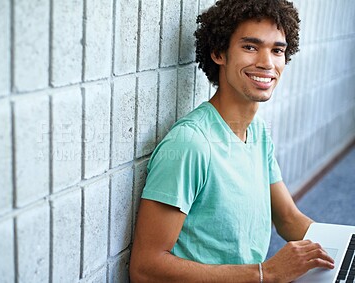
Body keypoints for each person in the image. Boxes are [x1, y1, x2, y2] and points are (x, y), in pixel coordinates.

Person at [129, 0, 335, 282]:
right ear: (218, 53)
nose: (266, 62)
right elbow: (145, 268)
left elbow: (288, 218)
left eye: (277, 50)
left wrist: (344, 247)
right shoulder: (190, 143)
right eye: (250, 47)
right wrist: (266, 273)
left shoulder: (257, 131)